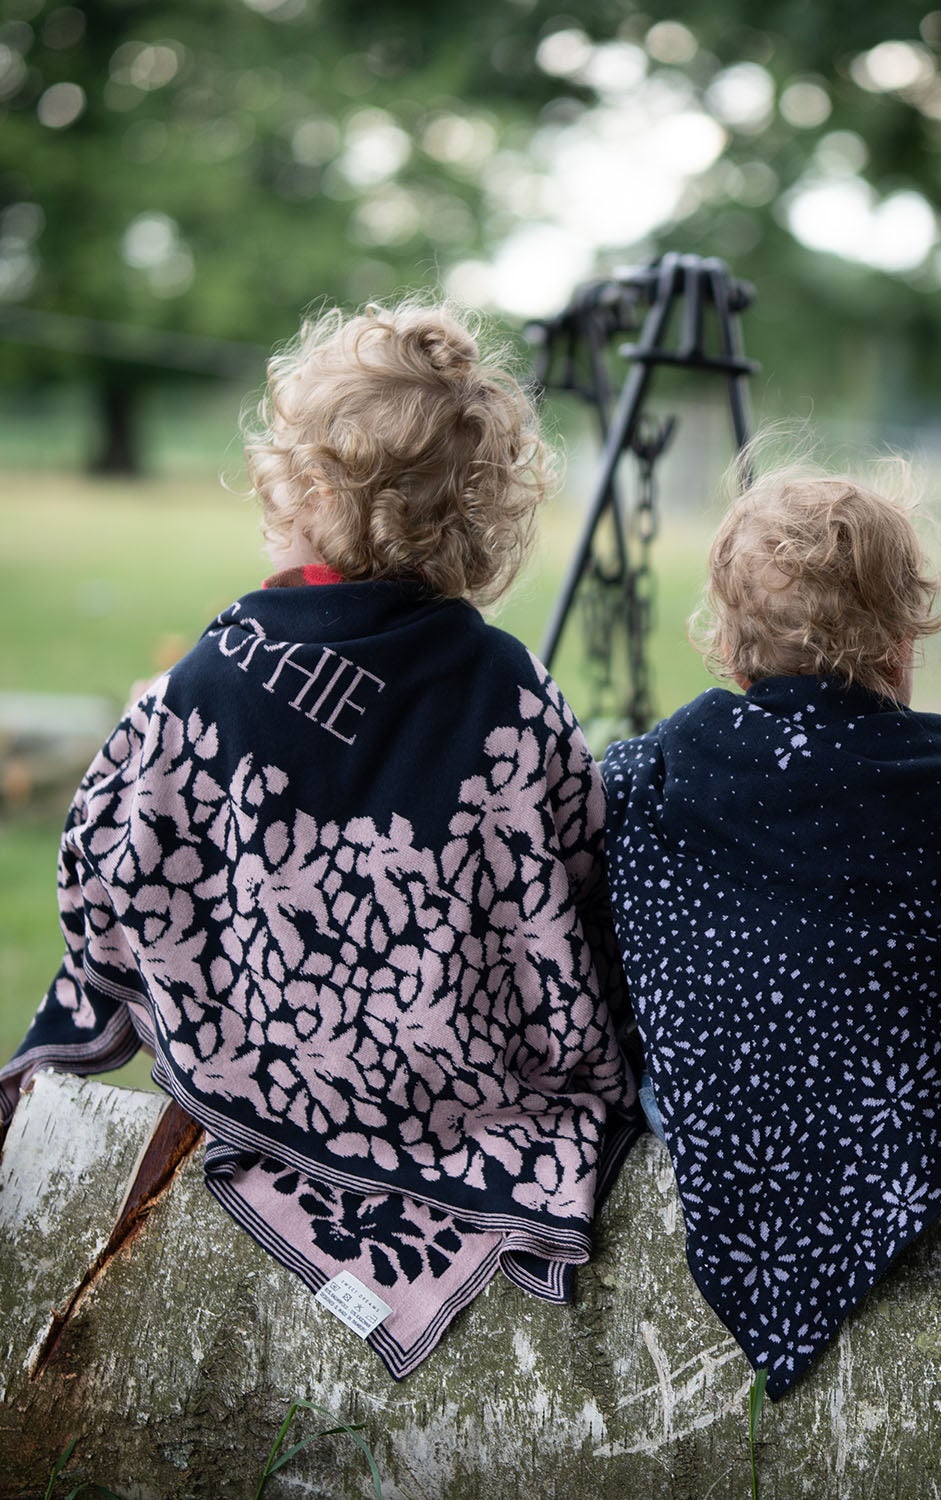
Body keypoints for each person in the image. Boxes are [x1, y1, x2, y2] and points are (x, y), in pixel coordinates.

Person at [0, 298, 638, 1379]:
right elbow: (577, 869)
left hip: (265, 1059)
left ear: (307, 492)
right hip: (468, 1084)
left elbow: (109, 867)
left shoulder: (212, 676)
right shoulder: (506, 684)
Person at [601, 465, 941, 1398]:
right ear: (899, 638)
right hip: (910, 1128)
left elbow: (625, 944)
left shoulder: (652, 769)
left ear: (728, 641)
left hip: (700, 1119)